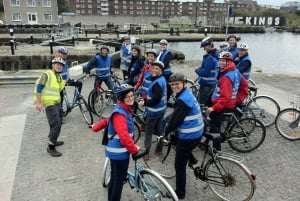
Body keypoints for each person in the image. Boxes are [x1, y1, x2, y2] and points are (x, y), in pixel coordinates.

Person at [90, 84, 140, 201]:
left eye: (132, 95)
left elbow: (107, 120)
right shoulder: (120, 113)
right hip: (120, 153)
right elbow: (124, 137)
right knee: (118, 182)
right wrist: (134, 150)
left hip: (115, 152)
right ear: (121, 98)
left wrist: (95, 127)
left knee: (114, 177)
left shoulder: (121, 109)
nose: (131, 98)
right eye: (127, 96)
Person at [164, 72, 204, 200]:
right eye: (172, 84)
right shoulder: (186, 94)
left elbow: (175, 121)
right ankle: (192, 160)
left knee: (179, 165)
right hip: (198, 130)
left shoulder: (182, 100)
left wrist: (164, 132)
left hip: (189, 136)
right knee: (176, 139)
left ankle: (180, 193)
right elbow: (180, 111)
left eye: (177, 84)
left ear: (184, 84)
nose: (174, 86)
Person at [207, 52, 248, 151]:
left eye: (223, 61)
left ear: (229, 62)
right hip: (227, 102)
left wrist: (214, 107)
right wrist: (237, 98)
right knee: (213, 123)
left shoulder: (226, 77)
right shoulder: (236, 71)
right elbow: (245, 85)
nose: (220, 62)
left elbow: (225, 97)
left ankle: (216, 151)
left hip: (222, 105)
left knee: (216, 129)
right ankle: (207, 141)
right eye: (220, 60)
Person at [34, 57, 66, 157]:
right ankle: (51, 147)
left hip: (57, 103)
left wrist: (68, 81)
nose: (59, 66)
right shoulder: (47, 74)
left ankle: (53, 139)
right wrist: (38, 103)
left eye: (61, 65)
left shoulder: (58, 76)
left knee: (58, 122)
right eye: (57, 64)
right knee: (56, 124)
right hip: (49, 104)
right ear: (52, 65)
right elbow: (39, 87)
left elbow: (60, 87)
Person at [138, 61, 167, 160]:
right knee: (159, 130)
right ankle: (159, 149)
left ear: (161, 70)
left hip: (153, 111)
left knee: (148, 132)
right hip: (161, 110)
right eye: (153, 68)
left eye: (156, 69)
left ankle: (146, 153)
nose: (154, 70)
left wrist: (145, 103)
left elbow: (156, 99)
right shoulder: (162, 79)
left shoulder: (157, 83)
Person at [195, 36, 220, 106]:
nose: (204, 49)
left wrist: (197, 70)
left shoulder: (210, 58)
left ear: (209, 46)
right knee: (210, 103)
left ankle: (203, 116)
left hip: (206, 85)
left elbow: (205, 73)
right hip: (213, 84)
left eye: (204, 47)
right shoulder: (217, 54)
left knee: (202, 104)